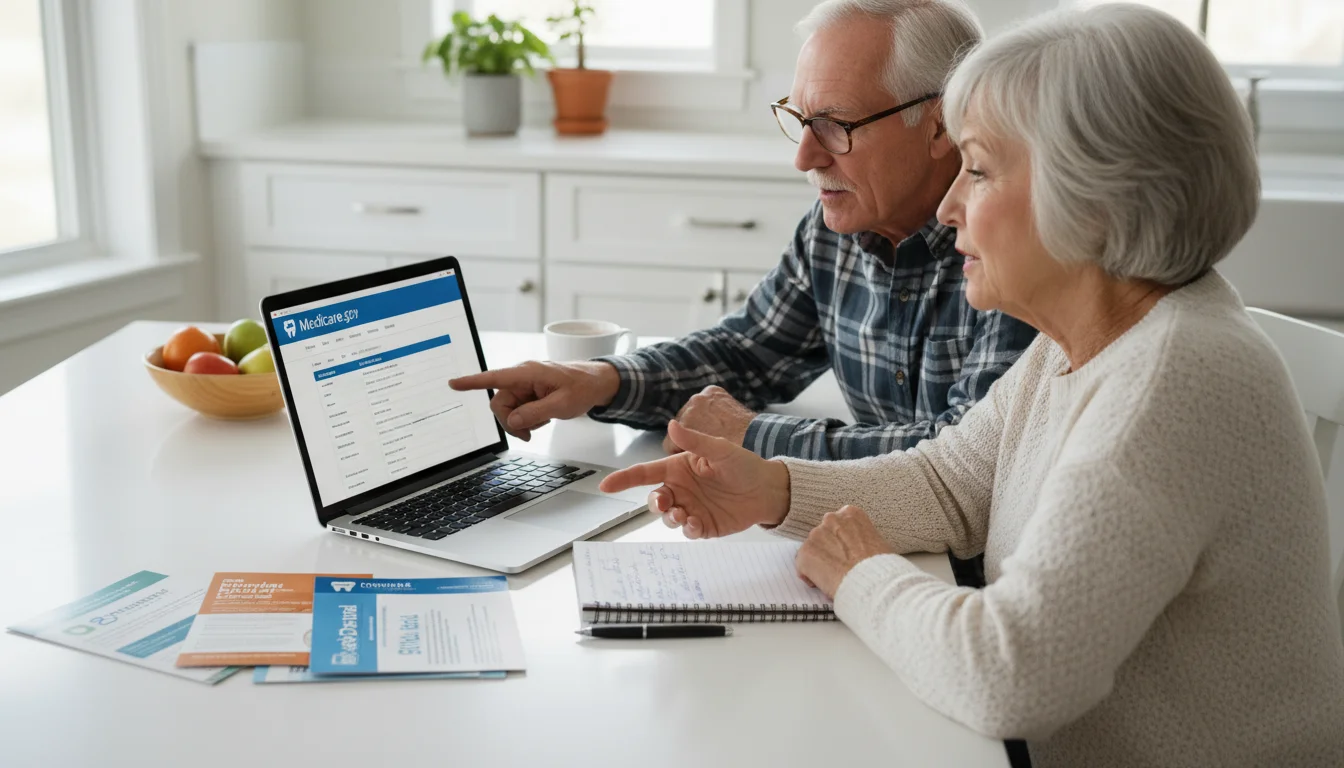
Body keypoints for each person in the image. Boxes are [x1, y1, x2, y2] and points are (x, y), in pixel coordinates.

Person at [599, 4, 1344, 765]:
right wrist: (773, 491)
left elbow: (1010, 675)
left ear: (1089, 194)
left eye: (979, 170)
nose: (951, 203)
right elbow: (955, 482)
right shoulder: (1088, 340)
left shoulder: (1174, 380)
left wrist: (862, 573)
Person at [451, 0, 1036, 461]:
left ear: (939, 125)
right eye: (801, 120)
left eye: (835, 125)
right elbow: (749, 352)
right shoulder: (833, 230)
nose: (804, 157)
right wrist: (598, 379)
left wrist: (754, 434)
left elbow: (962, 459)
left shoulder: (1015, 246)